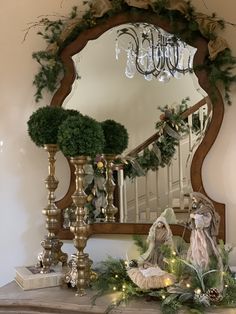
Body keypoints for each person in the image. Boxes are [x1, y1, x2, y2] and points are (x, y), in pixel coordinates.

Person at [127, 216, 175, 289]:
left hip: (161, 249)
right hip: (154, 248)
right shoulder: (154, 230)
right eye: (158, 222)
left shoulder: (166, 231)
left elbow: (169, 240)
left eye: (161, 223)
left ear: (164, 224)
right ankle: (151, 268)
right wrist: (150, 240)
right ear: (156, 223)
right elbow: (150, 238)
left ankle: (158, 271)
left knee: (161, 262)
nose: (160, 224)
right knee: (150, 258)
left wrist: (166, 245)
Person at [187, 192, 222, 271]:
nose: (193, 200)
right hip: (197, 233)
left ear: (199, 198)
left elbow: (207, 219)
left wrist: (195, 216)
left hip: (204, 233)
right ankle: (197, 268)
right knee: (196, 249)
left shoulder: (206, 208)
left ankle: (206, 268)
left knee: (205, 249)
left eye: (194, 198)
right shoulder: (199, 207)